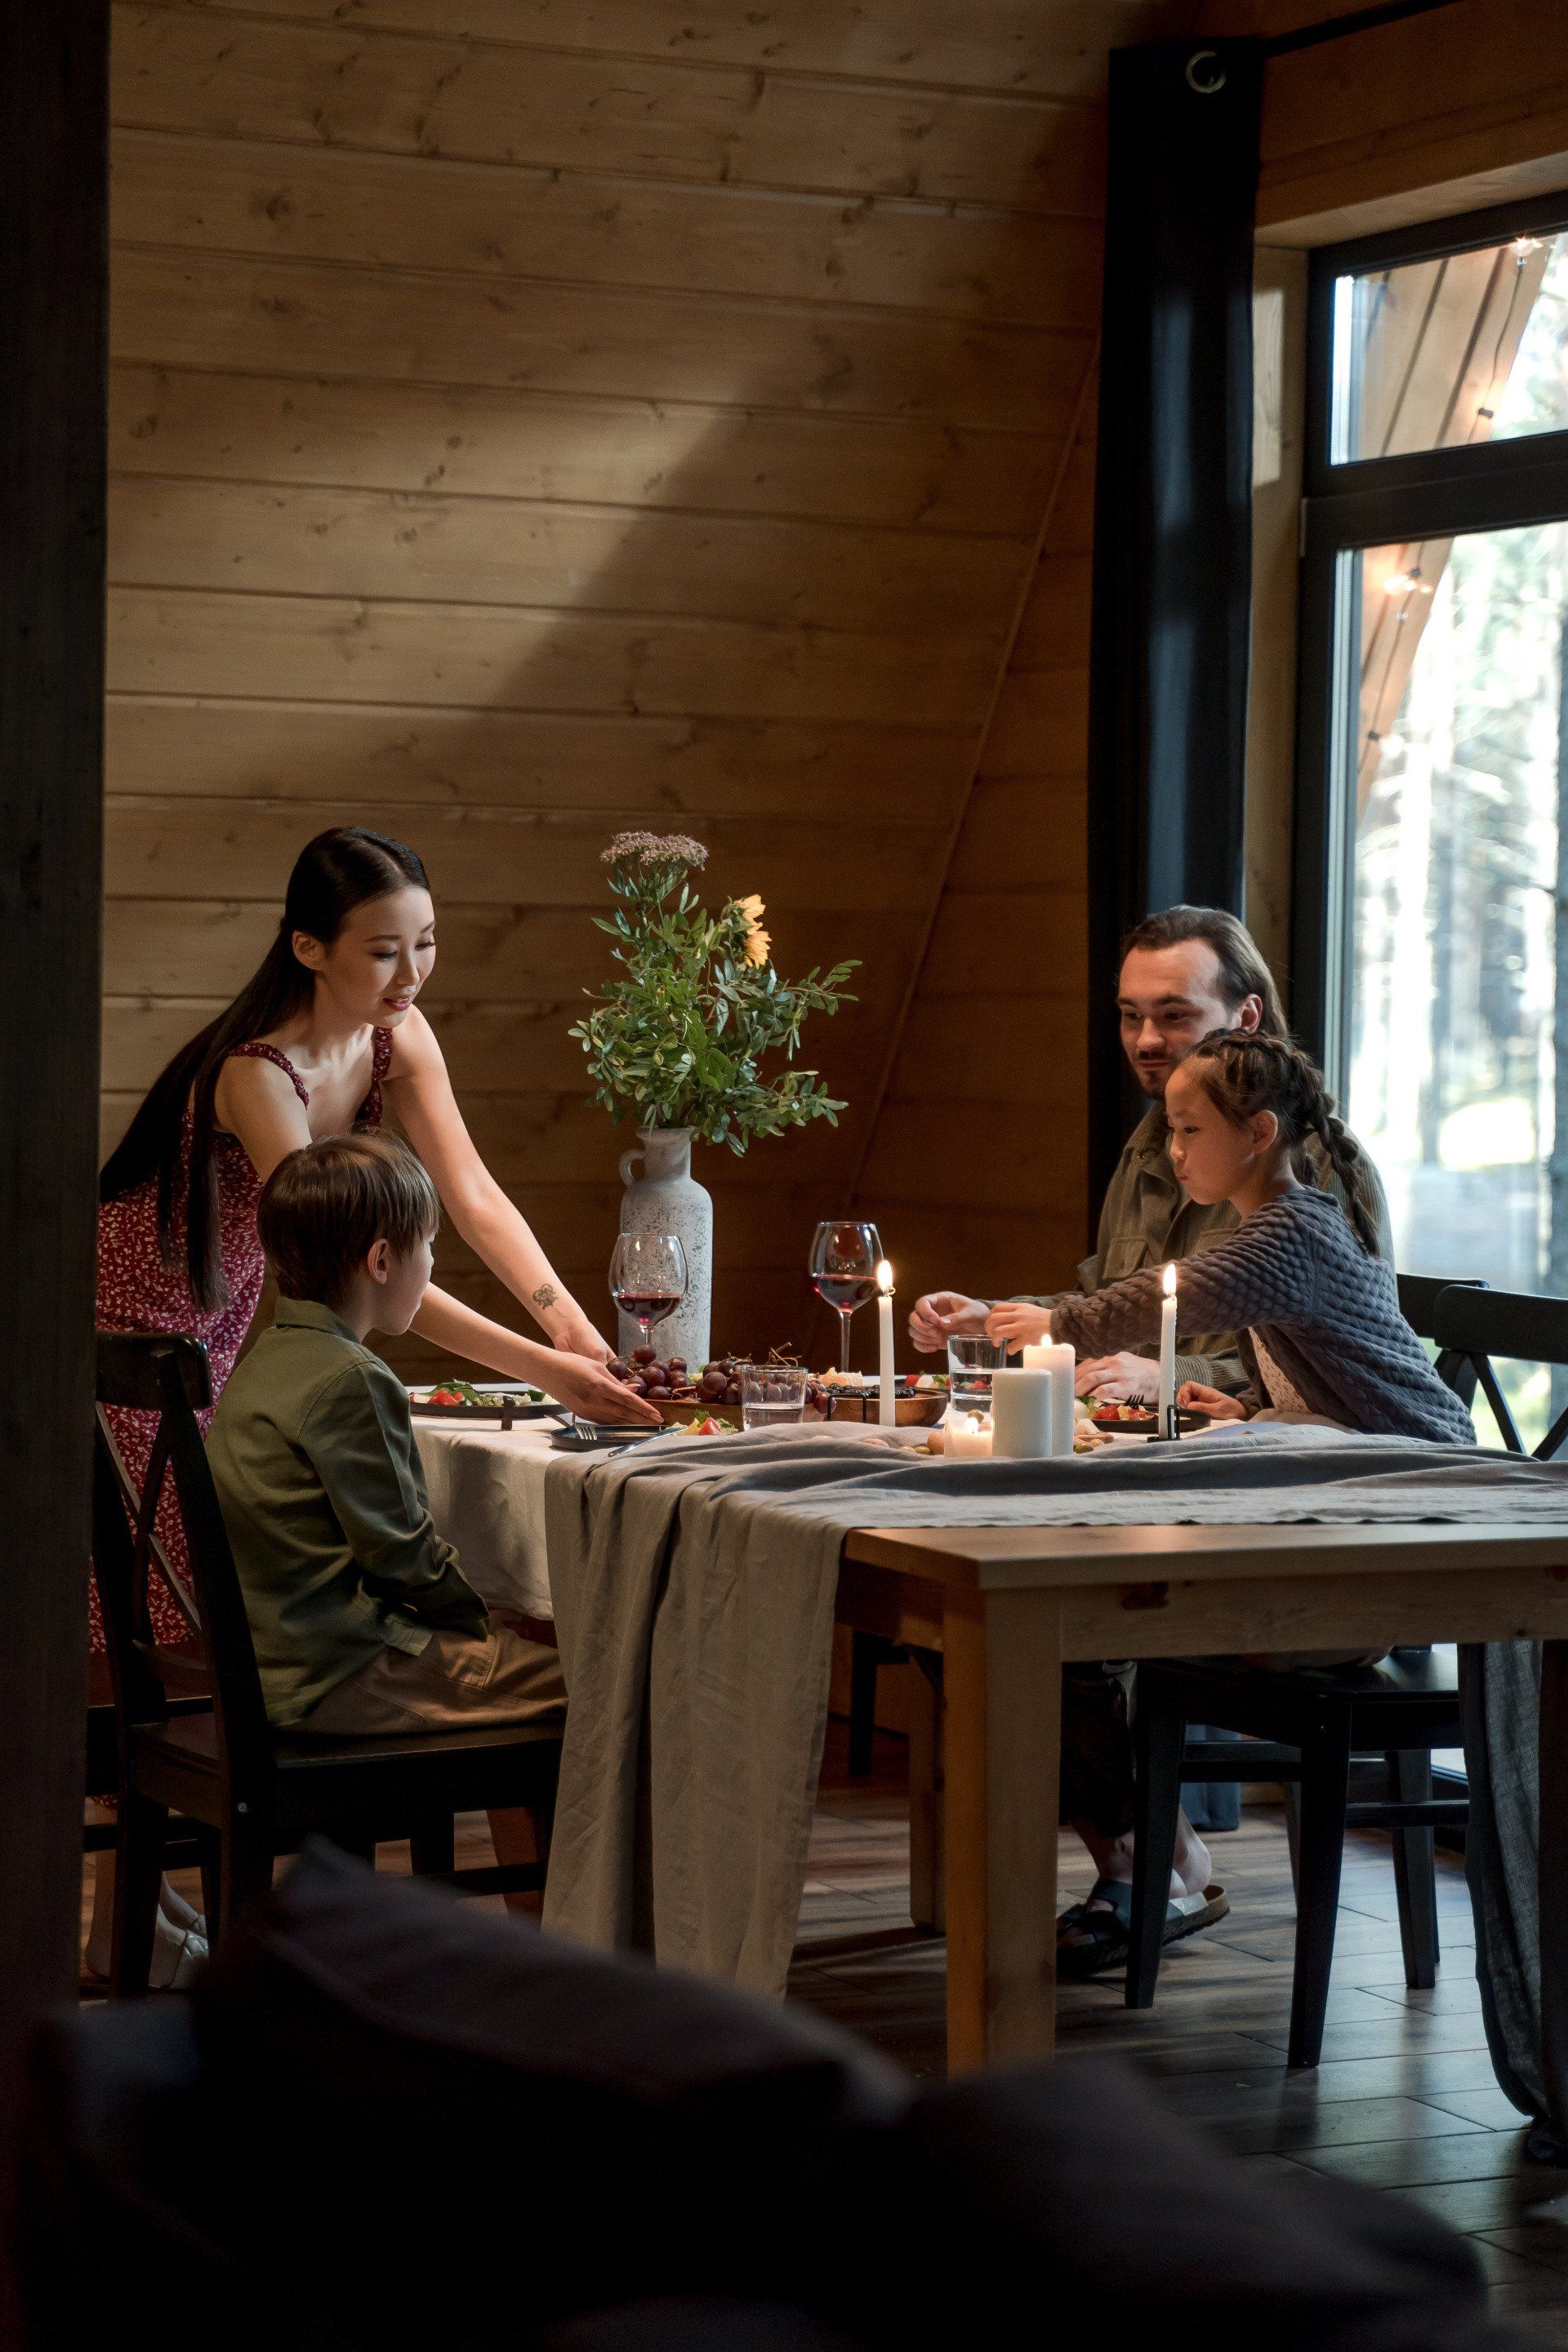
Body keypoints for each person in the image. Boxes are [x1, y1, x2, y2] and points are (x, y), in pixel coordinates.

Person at [86, 827, 654, 1983]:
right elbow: (356, 1259)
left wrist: (574, 1330)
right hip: (142, 1331)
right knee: (167, 1619)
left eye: (428, 945)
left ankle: (154, 1918)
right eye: (386, 952)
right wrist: (545, 1372)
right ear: (307, 948)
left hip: (229, 1324)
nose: (411, 976)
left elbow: (475, 1197)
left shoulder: (398, 1035)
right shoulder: (260, 1069)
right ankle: (190, 1919)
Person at [987, 1031, 1473, 1977]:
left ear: (1256, 1133)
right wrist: (1247, 1405)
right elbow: (1325, 1374)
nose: (1173, 1152)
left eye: (1189, 1129)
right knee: (1083, 1612)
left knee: (1085, 1615)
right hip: (1349, 1498)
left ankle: (1152, 1866)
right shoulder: (1283, 1224)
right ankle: (1150, 1861)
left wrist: (1048, 1321)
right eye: (1168, 1131)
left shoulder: (1289, 1228)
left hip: (1405, 1515)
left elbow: (1161, 1301)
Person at [909, 904, 1392, 1396]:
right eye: (1131, 1016)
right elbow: (1103, 1299)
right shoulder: (1150, 1142)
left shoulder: (1311, 1164)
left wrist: (1171, 1375)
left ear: (1246, 1018)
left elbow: (1342, 1358)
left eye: (1173, 1015)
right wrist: (995, 1320)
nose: (1146, 1040)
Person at [207, 1133, 567, 1748]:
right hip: (342, 1674)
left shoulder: (264, 1358)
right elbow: (405, 1560)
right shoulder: (354, 1380)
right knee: (604, 1682)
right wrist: (483, 1622)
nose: (431, 1266)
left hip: (270, 1666)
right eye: (427, 1246)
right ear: (380, 1261)